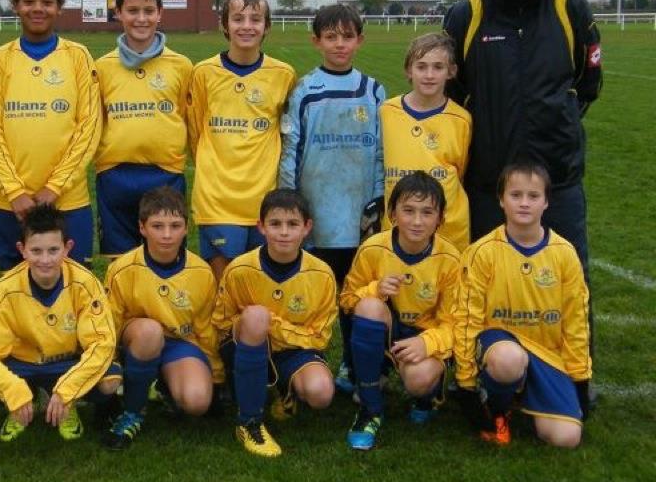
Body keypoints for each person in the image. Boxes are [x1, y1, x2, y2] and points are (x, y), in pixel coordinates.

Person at [442, 0, 602, 264]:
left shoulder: (569, 7)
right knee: (486, 282)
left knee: (568, 279)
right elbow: (450, 89)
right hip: (489, 183)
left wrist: (557, 121)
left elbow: (588, 83)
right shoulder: (467, 13)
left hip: (556, 180)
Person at [278, 3, 384, 395]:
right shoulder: (305, 90)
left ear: (360, 40)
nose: (339, 44)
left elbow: (381, 152)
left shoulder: (372, 90)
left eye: (347, 36)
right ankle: (308, 361)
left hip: (358, 217)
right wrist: (292, 203)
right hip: (317, 215)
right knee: (313, 298)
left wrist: (377, 200)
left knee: (355, 299)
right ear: (316, 41)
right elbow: (291, 148)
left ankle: (354, 366)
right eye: (331, 37)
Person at [453, 163, 591, 448]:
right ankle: (497, 407)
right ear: (501, 200)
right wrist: (466, 383)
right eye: (516, 195)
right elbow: (467, 319)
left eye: (533, 196)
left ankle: (522, 394)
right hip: (498, 348)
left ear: (546, 201)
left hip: (547, 354)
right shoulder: (482, 252)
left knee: (566, 439)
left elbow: (576, 320)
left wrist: (579, 378)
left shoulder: (565, 254)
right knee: (508, 359)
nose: (524, 203)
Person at [0, 204, 121, 443]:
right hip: (21, 364)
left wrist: (67, 390)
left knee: (110, 382)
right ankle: (20, 403)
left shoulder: (85, 284)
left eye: (53, 250)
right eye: (36, 251)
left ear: (67, 248)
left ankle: (66, 404)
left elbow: (102, 344)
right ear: (22, 250)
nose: (45, 260)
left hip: (66, 362)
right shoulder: (6, 289)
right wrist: (13, 390)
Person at [0, 0, 101, 271]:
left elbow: (88, 129)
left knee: (73, 286)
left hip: (67, 201)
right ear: (16, 5)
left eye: (47, 2)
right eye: (29, 1)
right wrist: (15, 192)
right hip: (9, 204)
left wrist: (54, 188)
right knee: (14, 288)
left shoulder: (78, 57)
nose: (38, 8)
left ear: (59, 7)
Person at [339, 172, 460, 450]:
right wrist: (376, 289)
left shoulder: (450, 260)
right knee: (368, 306)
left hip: (423, 336)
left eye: (427, 212)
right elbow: (346, 301)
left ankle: (427, 396)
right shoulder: (373, 249)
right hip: (387, 331)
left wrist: (427, 342)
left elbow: (456, 323)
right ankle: (370, 408)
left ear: (440, 219)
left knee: (418, 380)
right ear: (393, 214)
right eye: (408, 211)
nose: (417, 221)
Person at [212, 189, 337, 457]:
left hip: (294, 351)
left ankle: (286, 391)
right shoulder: (240, 269)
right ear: (261, 227)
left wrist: (273, 326)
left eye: (292, 224)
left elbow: (319, 337)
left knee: (321, 392)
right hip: (248, 345)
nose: (284, 232)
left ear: (307, 228)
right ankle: (249, 421)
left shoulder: (322, 275)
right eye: (275, 224)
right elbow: (221, 324)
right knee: (255, 316)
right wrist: (256, 326)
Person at [101, 186, 222, 450]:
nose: (167, 235)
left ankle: (166, 386)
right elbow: (109, 323)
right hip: (136, 340)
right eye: (157, 226)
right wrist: (110, 365)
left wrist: (215, 376)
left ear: (186, 228)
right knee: (150, 331)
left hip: (179, 343)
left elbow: (205, 327)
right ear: (142, 228)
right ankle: (132, 412)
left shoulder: (201, 272)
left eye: (175, 226)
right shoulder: (122, 269)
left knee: (197, 402)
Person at [187, 0, 295, 280]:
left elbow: (287, 133)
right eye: (238, 18)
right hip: (216, 199)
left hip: (265, 200)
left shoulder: (284, 75)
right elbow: (195, 133)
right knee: (224, 289)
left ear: (267, 26)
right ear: (225, 24)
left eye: (255, 19)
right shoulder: (203, 73)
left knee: (260, 286)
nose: (247, 26)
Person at [94, 0, 193, 256]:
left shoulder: (182, 66)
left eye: (149, 11)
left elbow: (186, 116)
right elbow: (97, 121)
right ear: (118, 13)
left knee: (166, 259)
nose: (141, 18)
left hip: (165, 174)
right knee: (120, 262)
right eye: (133, 10)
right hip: (115, 176)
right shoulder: (102, 67)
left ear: (160, 13)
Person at [380, 32, 471, 250]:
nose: (429, 75)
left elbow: (462, 173)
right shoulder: (386, 111)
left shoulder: (461, 119)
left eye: (438, 67)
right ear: (408, 70)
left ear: (451, 71)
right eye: (421, 67)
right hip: (398, 225)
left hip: (448, 227)